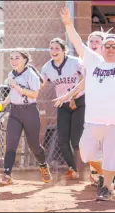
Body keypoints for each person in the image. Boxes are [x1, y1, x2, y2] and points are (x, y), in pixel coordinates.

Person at [60, 7, 115, 201]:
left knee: (111, 156)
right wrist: (68, 25)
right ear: (102, 48)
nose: (110, 49)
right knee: (86, 152)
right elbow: (77, 43)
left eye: (113, 46)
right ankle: (109, 177)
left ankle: (107, 188)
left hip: (113, 124)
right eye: (107, 46)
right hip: (93, 122)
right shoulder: (94, 62)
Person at [52, 30, 107, 185]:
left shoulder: (110, 62)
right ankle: (98, 174)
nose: (93, 44)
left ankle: (104, 176)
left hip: (109, 111)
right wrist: (67, 96)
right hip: (93, 111)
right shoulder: (89, 63)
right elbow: (85, 82)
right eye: (91, 41)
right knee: (89, 144)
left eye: (97, 41)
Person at [0, 50, 52, 187]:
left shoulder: (30, 74)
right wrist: (4, 103)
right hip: (15, 112)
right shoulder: (11, 74)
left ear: (25, 60)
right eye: (12, 58)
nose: (13, 60)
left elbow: (34, 94)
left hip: (30, 112)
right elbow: (12, 92)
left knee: (34, 145)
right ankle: (7, 174)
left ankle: (43, 166)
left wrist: (16, 86)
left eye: (17, 58)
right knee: (11, 143)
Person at [40, 37, 85, 180]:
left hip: (78, 101)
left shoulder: (75, 62)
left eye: (57, 48)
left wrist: (73, 96)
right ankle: (73, 169)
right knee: (63, 139)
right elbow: (40, 84)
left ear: (64, 50)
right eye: (51, 48)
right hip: (62, 104)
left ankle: (96, 168)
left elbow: (87, 78)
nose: (53, 51)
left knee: (76, 141)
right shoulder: (47, 67)